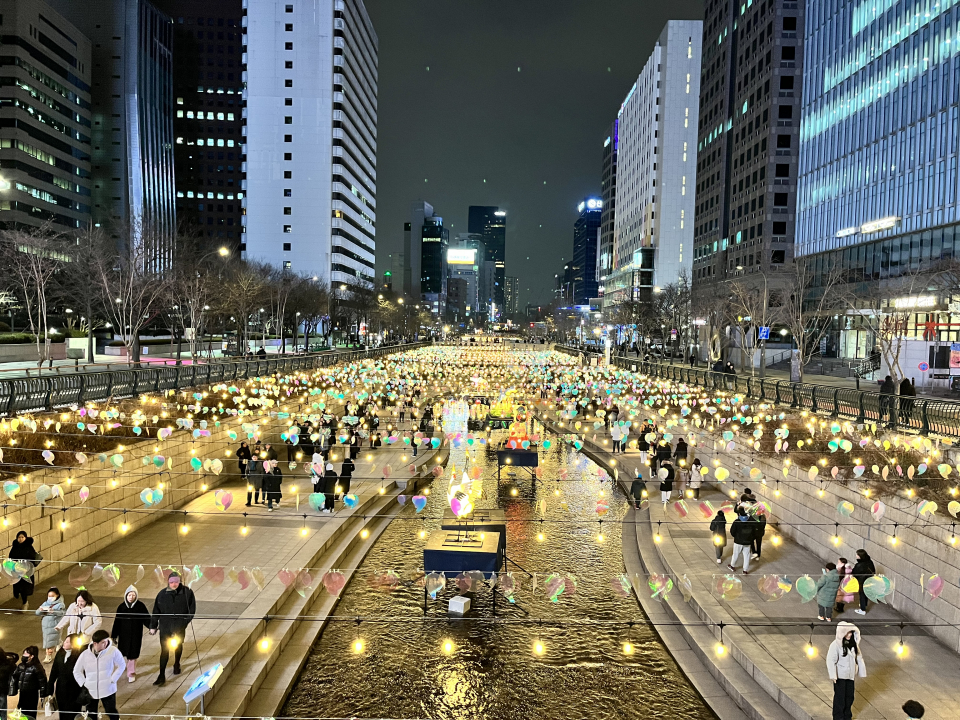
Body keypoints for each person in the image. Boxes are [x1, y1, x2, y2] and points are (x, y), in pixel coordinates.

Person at [149, 572, 196, 686]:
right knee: (164, 650)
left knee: (178, 646)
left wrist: (184, 622)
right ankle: (161, 675)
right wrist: (153, 626)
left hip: (179, 627)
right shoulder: (162, 594)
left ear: (179, 582)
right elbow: (156, 611)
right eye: (171, 582)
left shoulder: (187, 593)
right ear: (168, 582)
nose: (174, 584)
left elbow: (191, 609)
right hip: (165, 627)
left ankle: (176, 663)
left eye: (176, 582)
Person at [72, 630, 124, 720]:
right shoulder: (85, 654)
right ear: (95, 643)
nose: (106, 644)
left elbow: (122, 665)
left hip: (108, 689)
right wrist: (84, 683)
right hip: (90, 691)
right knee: (91, 714)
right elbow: (76, 671)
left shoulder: (113, 651)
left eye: (107, 641)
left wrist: (113, 679)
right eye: (103, 642)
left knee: (111, 711)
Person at [826, 622, 866, 720]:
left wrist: (861, 671)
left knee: (849, 697)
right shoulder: (835, 645)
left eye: (850, 633)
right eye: (847, 633)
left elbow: (859, 658)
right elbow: (830, 660)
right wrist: (833, 675)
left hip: (850, 675)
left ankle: (847, 716)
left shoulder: (854, 644)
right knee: (840, 698)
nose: (849, 635)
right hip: (840, 676)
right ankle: (838, 717)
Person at [111, 586, 150, 683]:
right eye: (129, 595)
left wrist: (152, 627)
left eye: (133, 595)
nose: (131, 597)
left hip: (135, 635)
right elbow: (117, 622)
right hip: (124, 635)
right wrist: (114, 635)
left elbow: (146, 619)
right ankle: (122, 667)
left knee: (133, 654)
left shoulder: (140, 606)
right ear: (126, 595)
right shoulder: (121, 607)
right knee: (122, 653)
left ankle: (131, 673)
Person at [48, 635, 85, 720]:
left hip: (74, 690)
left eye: (67, 642)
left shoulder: (79, 656)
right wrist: (50, 686)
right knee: (63, 712)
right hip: (61, 689)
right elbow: (54, 671)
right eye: (65, 641)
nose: (64, 643)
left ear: (73, 645)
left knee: (73, 713)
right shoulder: (60, 653)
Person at [10, 645, 46, 720]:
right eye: (24, 653)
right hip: (23, 692)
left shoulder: (37, 667)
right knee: (21, 709)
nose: (24, 655)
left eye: (26, 654)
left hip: (32, 694)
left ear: (32, 656)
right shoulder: (21, 666)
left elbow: (42, 681)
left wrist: (43, 695)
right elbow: (14, 677)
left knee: (30, 712)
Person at [9, 531, 38, 609]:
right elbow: (11, 557)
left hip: (26, 572)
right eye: (19, 537)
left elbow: (32, 558)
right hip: (17, 572)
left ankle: (25, 603)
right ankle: (24, 601)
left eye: (22, 537)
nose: (21, 539)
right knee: (19, 587)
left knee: (24, 588)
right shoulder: (15, 547)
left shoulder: (29, 547)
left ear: (25, 538)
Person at [35, 587, 65, 663]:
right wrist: (40, 610)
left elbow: (62, 613)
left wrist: (53, 611)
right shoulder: (46, 603)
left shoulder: (60, 604)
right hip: (45, 626)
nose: (50, 598)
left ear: (57, 595)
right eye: (49, 596)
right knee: (47, 640)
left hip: (54, 626)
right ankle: (58, 644)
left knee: (50, 642)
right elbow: (37, 613)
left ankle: (48, 656)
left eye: (52, 596)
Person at [727, 507, 755, 574]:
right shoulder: (750, 522)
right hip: (748, 542)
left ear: (739, 514)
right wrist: (750, 539)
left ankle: (732, 565)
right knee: (747, 555)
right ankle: (745, 570)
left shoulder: (737, 522)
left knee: (735, 554)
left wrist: (736, 537)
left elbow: (732, 532)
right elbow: (754, 532)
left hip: (738, 541)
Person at [851, 549, 875, 615]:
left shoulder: (859, 565)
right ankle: (864, 605)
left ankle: (862, 609)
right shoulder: (870, 562)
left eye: (857, 554)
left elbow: (854, 573)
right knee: (865, 593)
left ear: (860, 556)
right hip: (869, 581)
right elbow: (873, 570)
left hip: (861, 582)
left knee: (862, 595)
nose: (856, 555)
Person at [0, 647, 15, 716]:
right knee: (3, 711)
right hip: (3, 691)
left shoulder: (5, 666)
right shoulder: (7, 664)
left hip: (2, 691)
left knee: (2, 710)